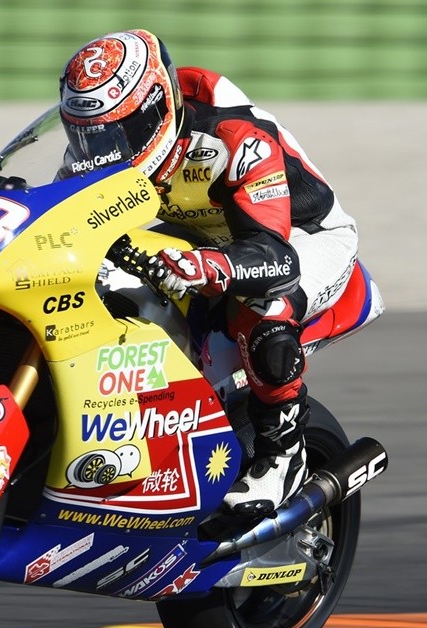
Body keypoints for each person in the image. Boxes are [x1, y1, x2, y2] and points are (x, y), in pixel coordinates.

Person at [59, 29, 362, 518]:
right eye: (87, 135)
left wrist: (208, 266)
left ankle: (283, 454)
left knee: (264, 308)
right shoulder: (99, 147)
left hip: (300, 237)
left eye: (118, 133)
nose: (102, 148)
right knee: (98, 281)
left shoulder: (234, 138)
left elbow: (276, 258)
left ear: (156, 110)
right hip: (203, 235)